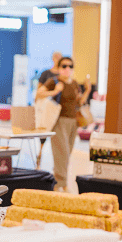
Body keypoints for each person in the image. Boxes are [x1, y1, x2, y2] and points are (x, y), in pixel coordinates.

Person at [36, 56, 91, 192]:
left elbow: (79, 102)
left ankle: (61, 181)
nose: (67, 69)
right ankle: (60, 184)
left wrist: (88, 90)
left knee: (67, 153)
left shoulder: (74, 84)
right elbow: (38, 94)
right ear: (59, 68)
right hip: (59, 121)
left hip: (73, 122)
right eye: (64, 66)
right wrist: (55, 91)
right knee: (62, 153)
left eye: (70, 66)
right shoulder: (54, 81)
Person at [35, 51, 62, 167]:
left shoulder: (63, 76)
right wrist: (54, 92)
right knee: (43, 137)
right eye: (55, 57)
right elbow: (39, 92)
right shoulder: (46, 74)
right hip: (47, 110)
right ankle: (39, 156)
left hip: (59, 110)